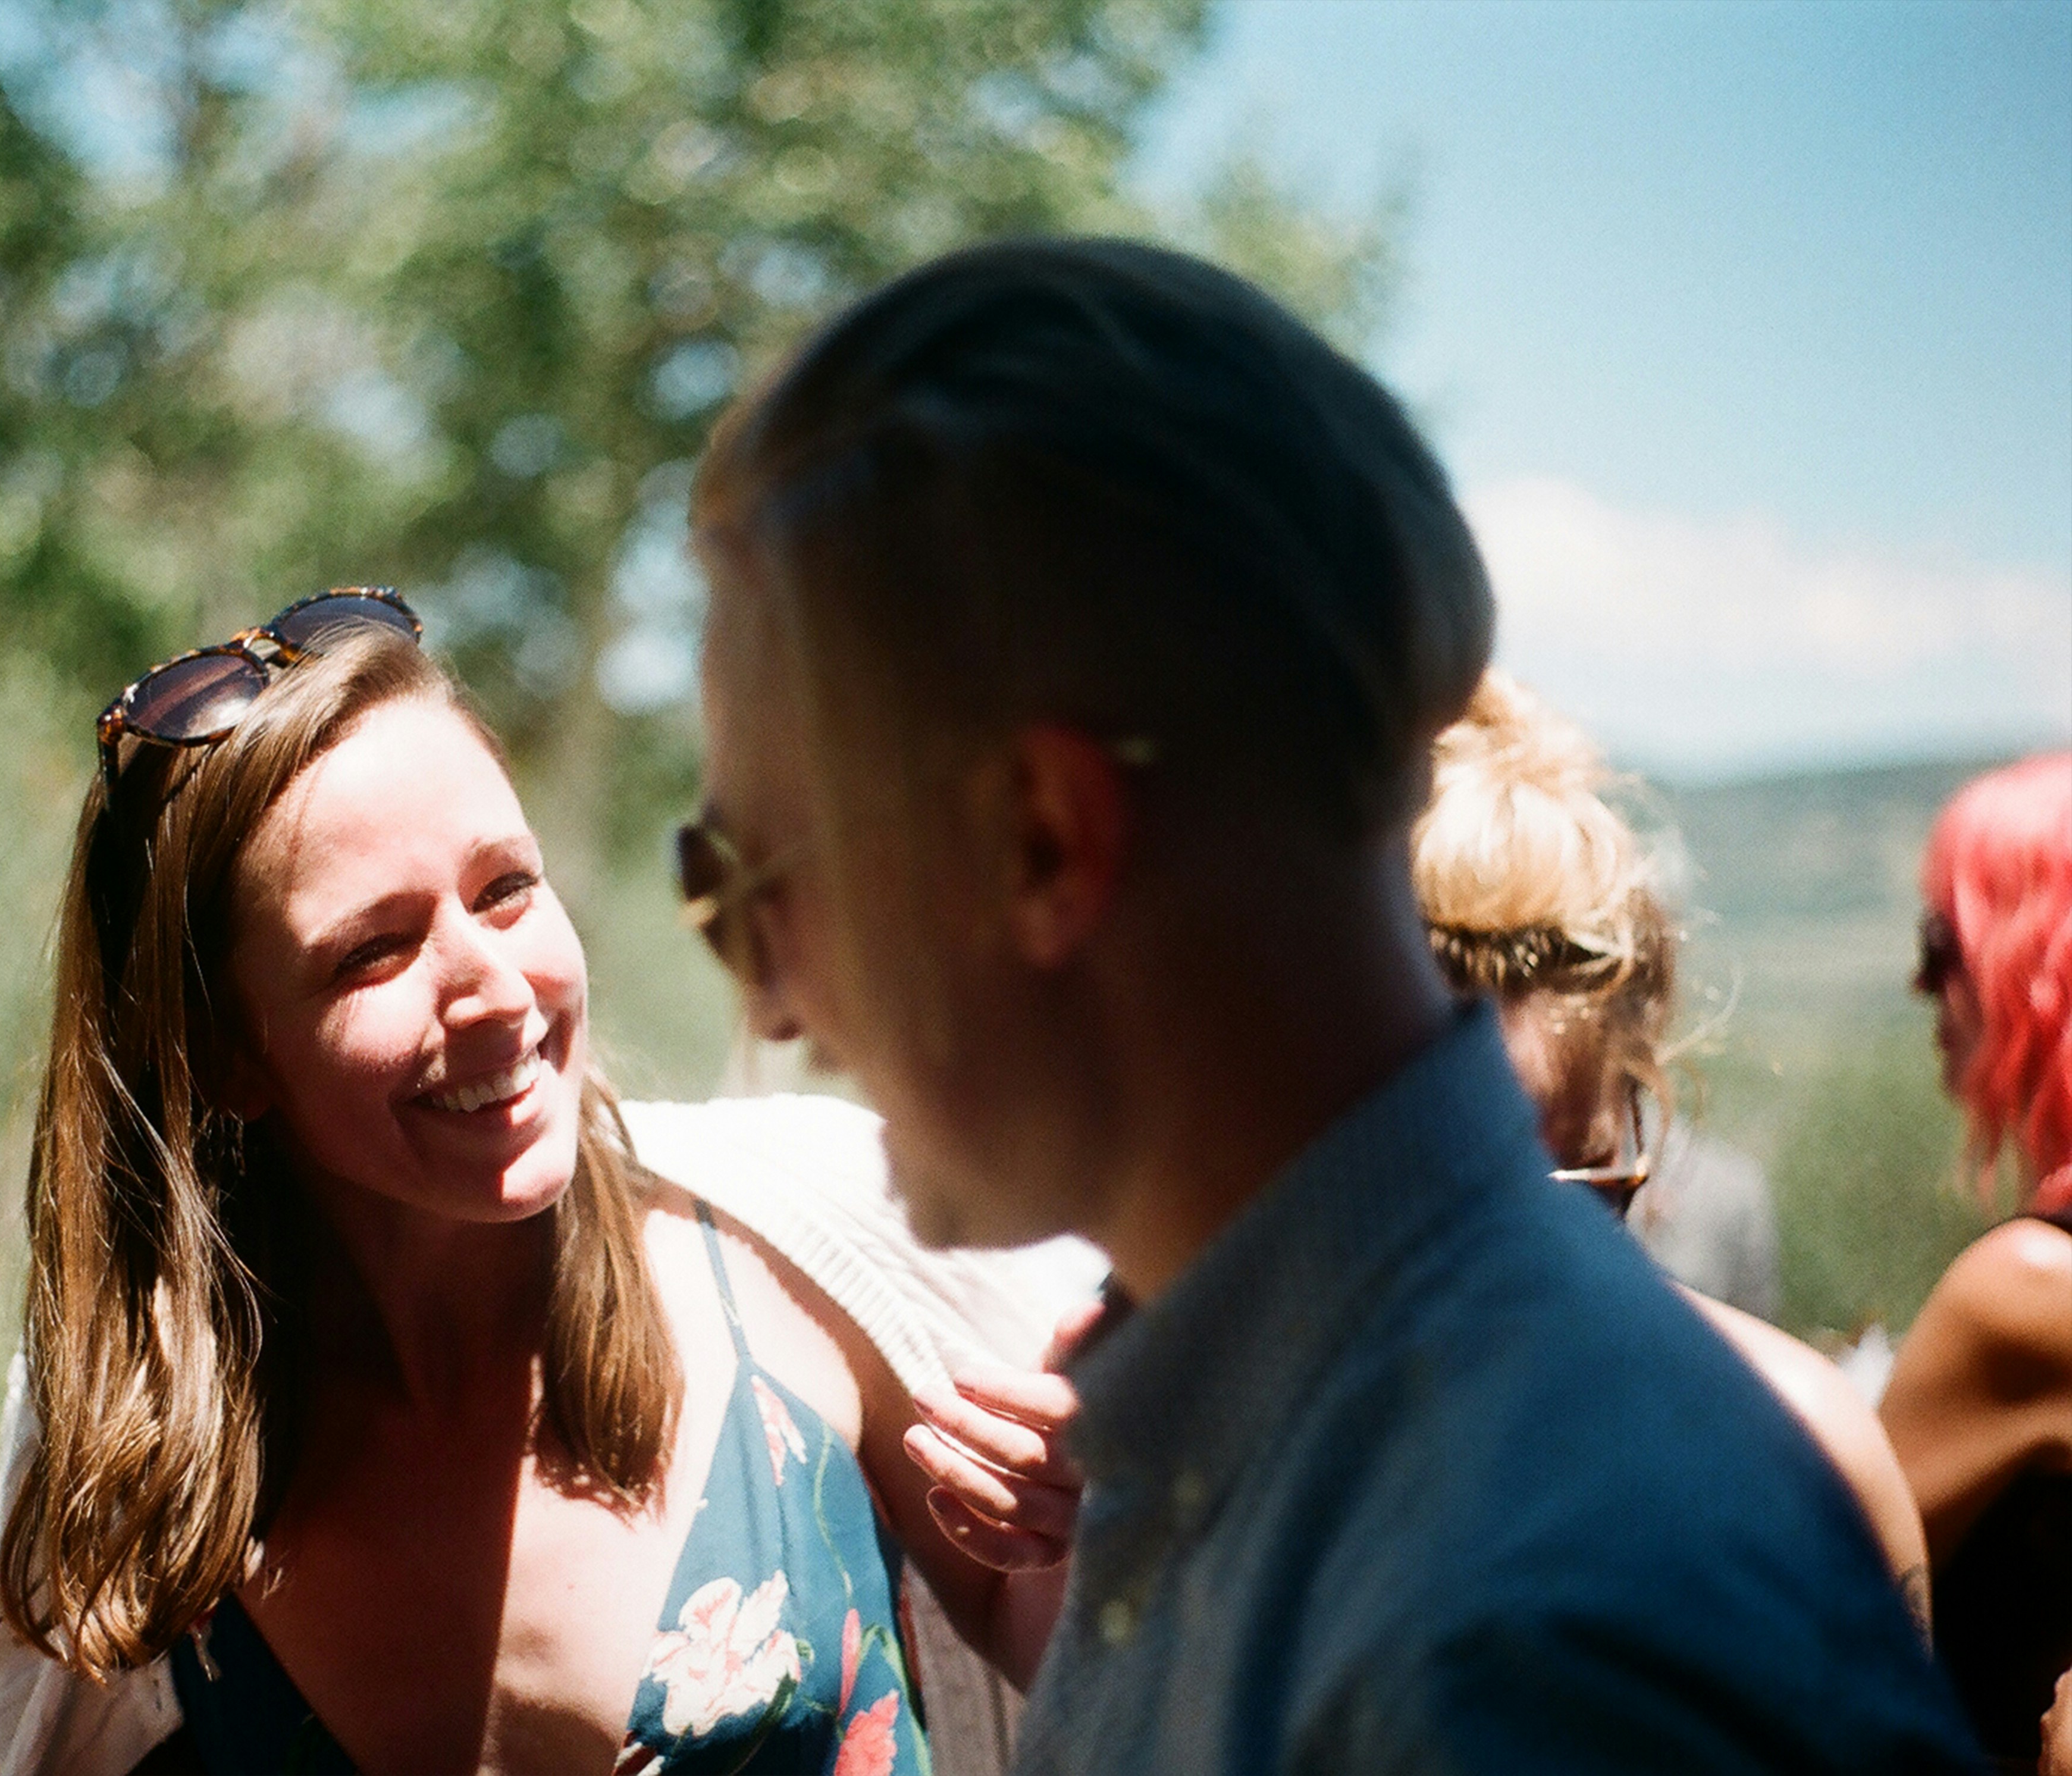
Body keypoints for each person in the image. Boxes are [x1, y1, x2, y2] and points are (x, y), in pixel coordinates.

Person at [682, 236, 1977, 1771]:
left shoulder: (1528, 1631)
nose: (768, 1004)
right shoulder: (1306, 1458)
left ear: (1041, 835)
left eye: (755, 880)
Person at [0, 589, 1090, 1776]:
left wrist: (1111, 1523)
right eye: (373, 952)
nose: (497, 992)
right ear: (229, 1055)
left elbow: (1130, 1667)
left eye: (506, 890)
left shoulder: (808, 1250)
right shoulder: (152, 1444)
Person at [1413, 670, 1930, 1628]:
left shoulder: (1804, 1464)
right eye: (1443, 1192)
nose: (1526, 1259)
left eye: (1583, 1187)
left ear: (1644, 1117)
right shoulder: (1209, 1473)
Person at [1877, 751, 2072, 1771]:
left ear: (2032, 959)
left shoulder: (2029, 1293)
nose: (1921, 983)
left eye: (1942, 940)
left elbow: (1793, 1589)